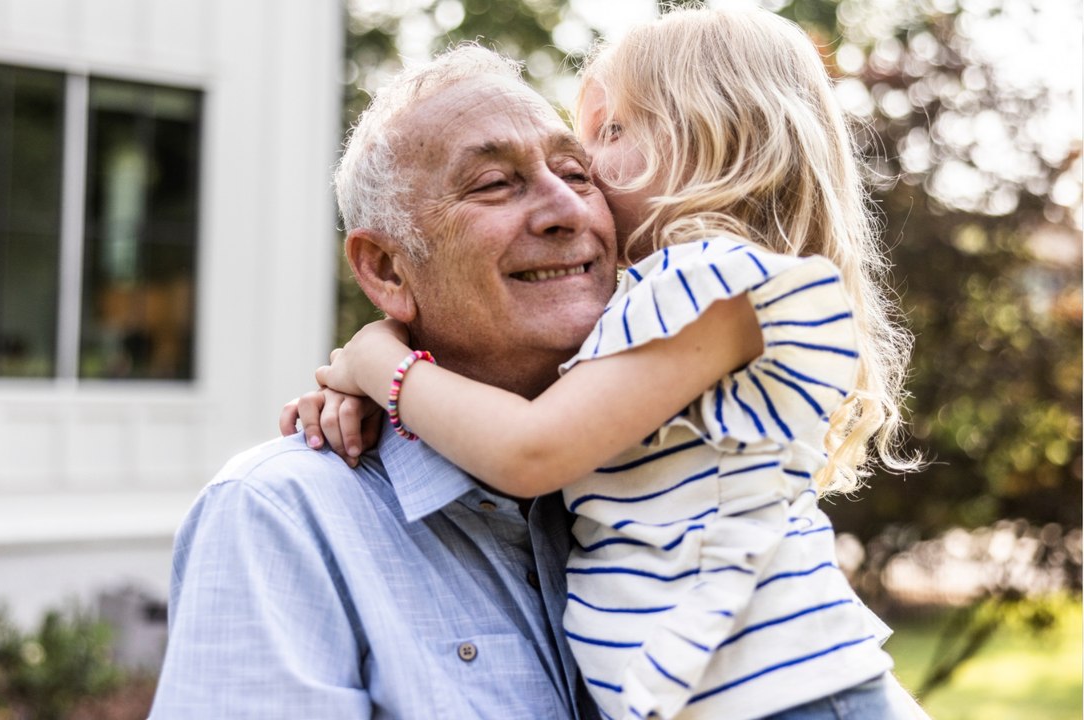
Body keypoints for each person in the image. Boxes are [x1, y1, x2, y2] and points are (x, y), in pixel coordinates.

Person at [309, 8, 921, 720]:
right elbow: (501, 360)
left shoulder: (713, 288)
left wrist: (381, 363)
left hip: (786, 700)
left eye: (610, 133)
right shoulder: (659, 299)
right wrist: (386, 372)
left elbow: (530, 449)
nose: (586, 175)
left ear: (712, 142)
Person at [148, 45, 618, 718]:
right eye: (494, 183)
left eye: (576, 173)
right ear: (387, 270)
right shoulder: (281, 518)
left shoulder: (674, 464)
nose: (566, 209)